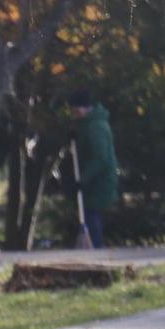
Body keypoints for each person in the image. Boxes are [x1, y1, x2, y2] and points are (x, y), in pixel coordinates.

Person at [68, 90, 118, 248]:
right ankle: (92, 244)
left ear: (84, 108)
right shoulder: (86, 124)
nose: (74, 114)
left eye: (76, 110)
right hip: (91, 179)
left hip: (99, 180)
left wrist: (83, 179)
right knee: (88, 212)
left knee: (92, 212)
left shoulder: (96, 127)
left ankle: (95, 246)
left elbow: (100, 158)